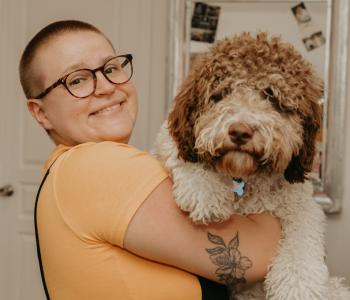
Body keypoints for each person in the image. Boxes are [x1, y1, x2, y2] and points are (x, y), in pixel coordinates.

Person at [20, 20, 281, 300]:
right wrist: (287, 200)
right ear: (41, 113)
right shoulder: (97, 165)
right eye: (77, 80)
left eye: (110, 68)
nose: (106, 87)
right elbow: (258, 255)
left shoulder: (63, 171)